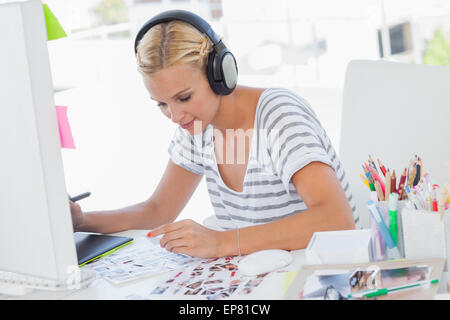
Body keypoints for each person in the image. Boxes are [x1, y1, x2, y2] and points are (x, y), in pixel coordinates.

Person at [70, 10, 357, 259]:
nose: (175, 116)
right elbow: (158, 210)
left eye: (183, 97)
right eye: (162, 104)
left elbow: (336, 220)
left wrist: (220, 242)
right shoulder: (197, 126)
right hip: (271, 275)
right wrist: (82, 220)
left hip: (327, 273)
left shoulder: (278, 117)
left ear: (220, 73)